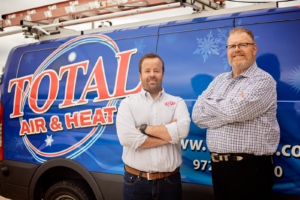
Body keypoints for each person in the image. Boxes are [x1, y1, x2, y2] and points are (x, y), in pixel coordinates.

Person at [192, 28, 280, 200]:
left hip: (249, 171)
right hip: (218, 169)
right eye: (232, 46)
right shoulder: (219, 80)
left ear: (254, 49)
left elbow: (235, 112)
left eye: (243, 45)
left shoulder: (264, 80)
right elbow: (197, 116)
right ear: (227, 51)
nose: (237, 49)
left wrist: (208, 103)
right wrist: (227, 112)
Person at [116, 53, 191, 200]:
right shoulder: (127, 104)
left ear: (163, 75)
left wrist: (144, 129)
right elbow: (127, 139)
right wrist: (170, 135)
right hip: (135, 182)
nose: (152, 75)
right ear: (140, 75)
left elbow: (182, 130)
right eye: (147, 71)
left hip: (170, 182)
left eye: (156, 71)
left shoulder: (177, 102)